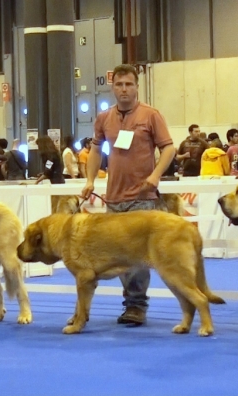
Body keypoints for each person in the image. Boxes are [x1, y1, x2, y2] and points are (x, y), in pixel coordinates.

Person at [81, 64, 175, 325]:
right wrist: (89, 180)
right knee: (119, 255)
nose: (124, 89)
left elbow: (168, 149)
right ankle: (131, 303)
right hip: (113, 198)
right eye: (119, 84)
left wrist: (155, 176)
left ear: (136, 87)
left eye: (129, 84)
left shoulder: (151, 115)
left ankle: (136, 306)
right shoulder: (104, 118)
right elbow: (96, 150)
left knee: (137, 258)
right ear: (113, 87)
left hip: (142, 197)